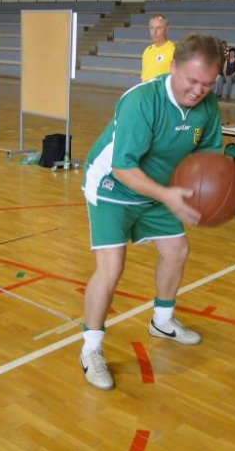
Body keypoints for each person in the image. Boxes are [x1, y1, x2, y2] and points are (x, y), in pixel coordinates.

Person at [80, 34, 223, 390]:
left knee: (177, 251)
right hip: (112, 187)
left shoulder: (208, 105)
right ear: (173, 67)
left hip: (160, 188)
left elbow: (207, 156)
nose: (199, 91)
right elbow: (122, 168)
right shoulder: (141, 101)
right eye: (192, 80)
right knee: (111, 269)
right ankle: (91, 349)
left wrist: (208, 192)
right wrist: (167, 195)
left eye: (207, 84)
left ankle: (162, 320)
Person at [140, 15, 175, 82]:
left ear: (167, 29)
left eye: (158, 28)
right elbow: (144, 78)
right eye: (151, 28)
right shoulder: (147, 51)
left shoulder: (173, 51)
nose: (154, 32)